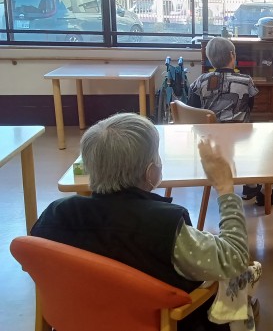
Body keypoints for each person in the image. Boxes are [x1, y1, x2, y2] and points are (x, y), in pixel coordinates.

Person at [31, 113, 254, 331]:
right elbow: (234, 258)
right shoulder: (165, 227)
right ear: (150, 172)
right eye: (157, 155)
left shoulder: (55, 214)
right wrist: (225, 189)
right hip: (164, 323)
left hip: (81, 320)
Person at [187, 36, 273, 206]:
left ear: (210, 59)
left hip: (209, 141)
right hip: (240, 138)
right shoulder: (245, 81)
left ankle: (253, 186)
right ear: (232, 55)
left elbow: (193, 109)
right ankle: (259, 188)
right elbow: (249, 107)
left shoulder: (201, 81)